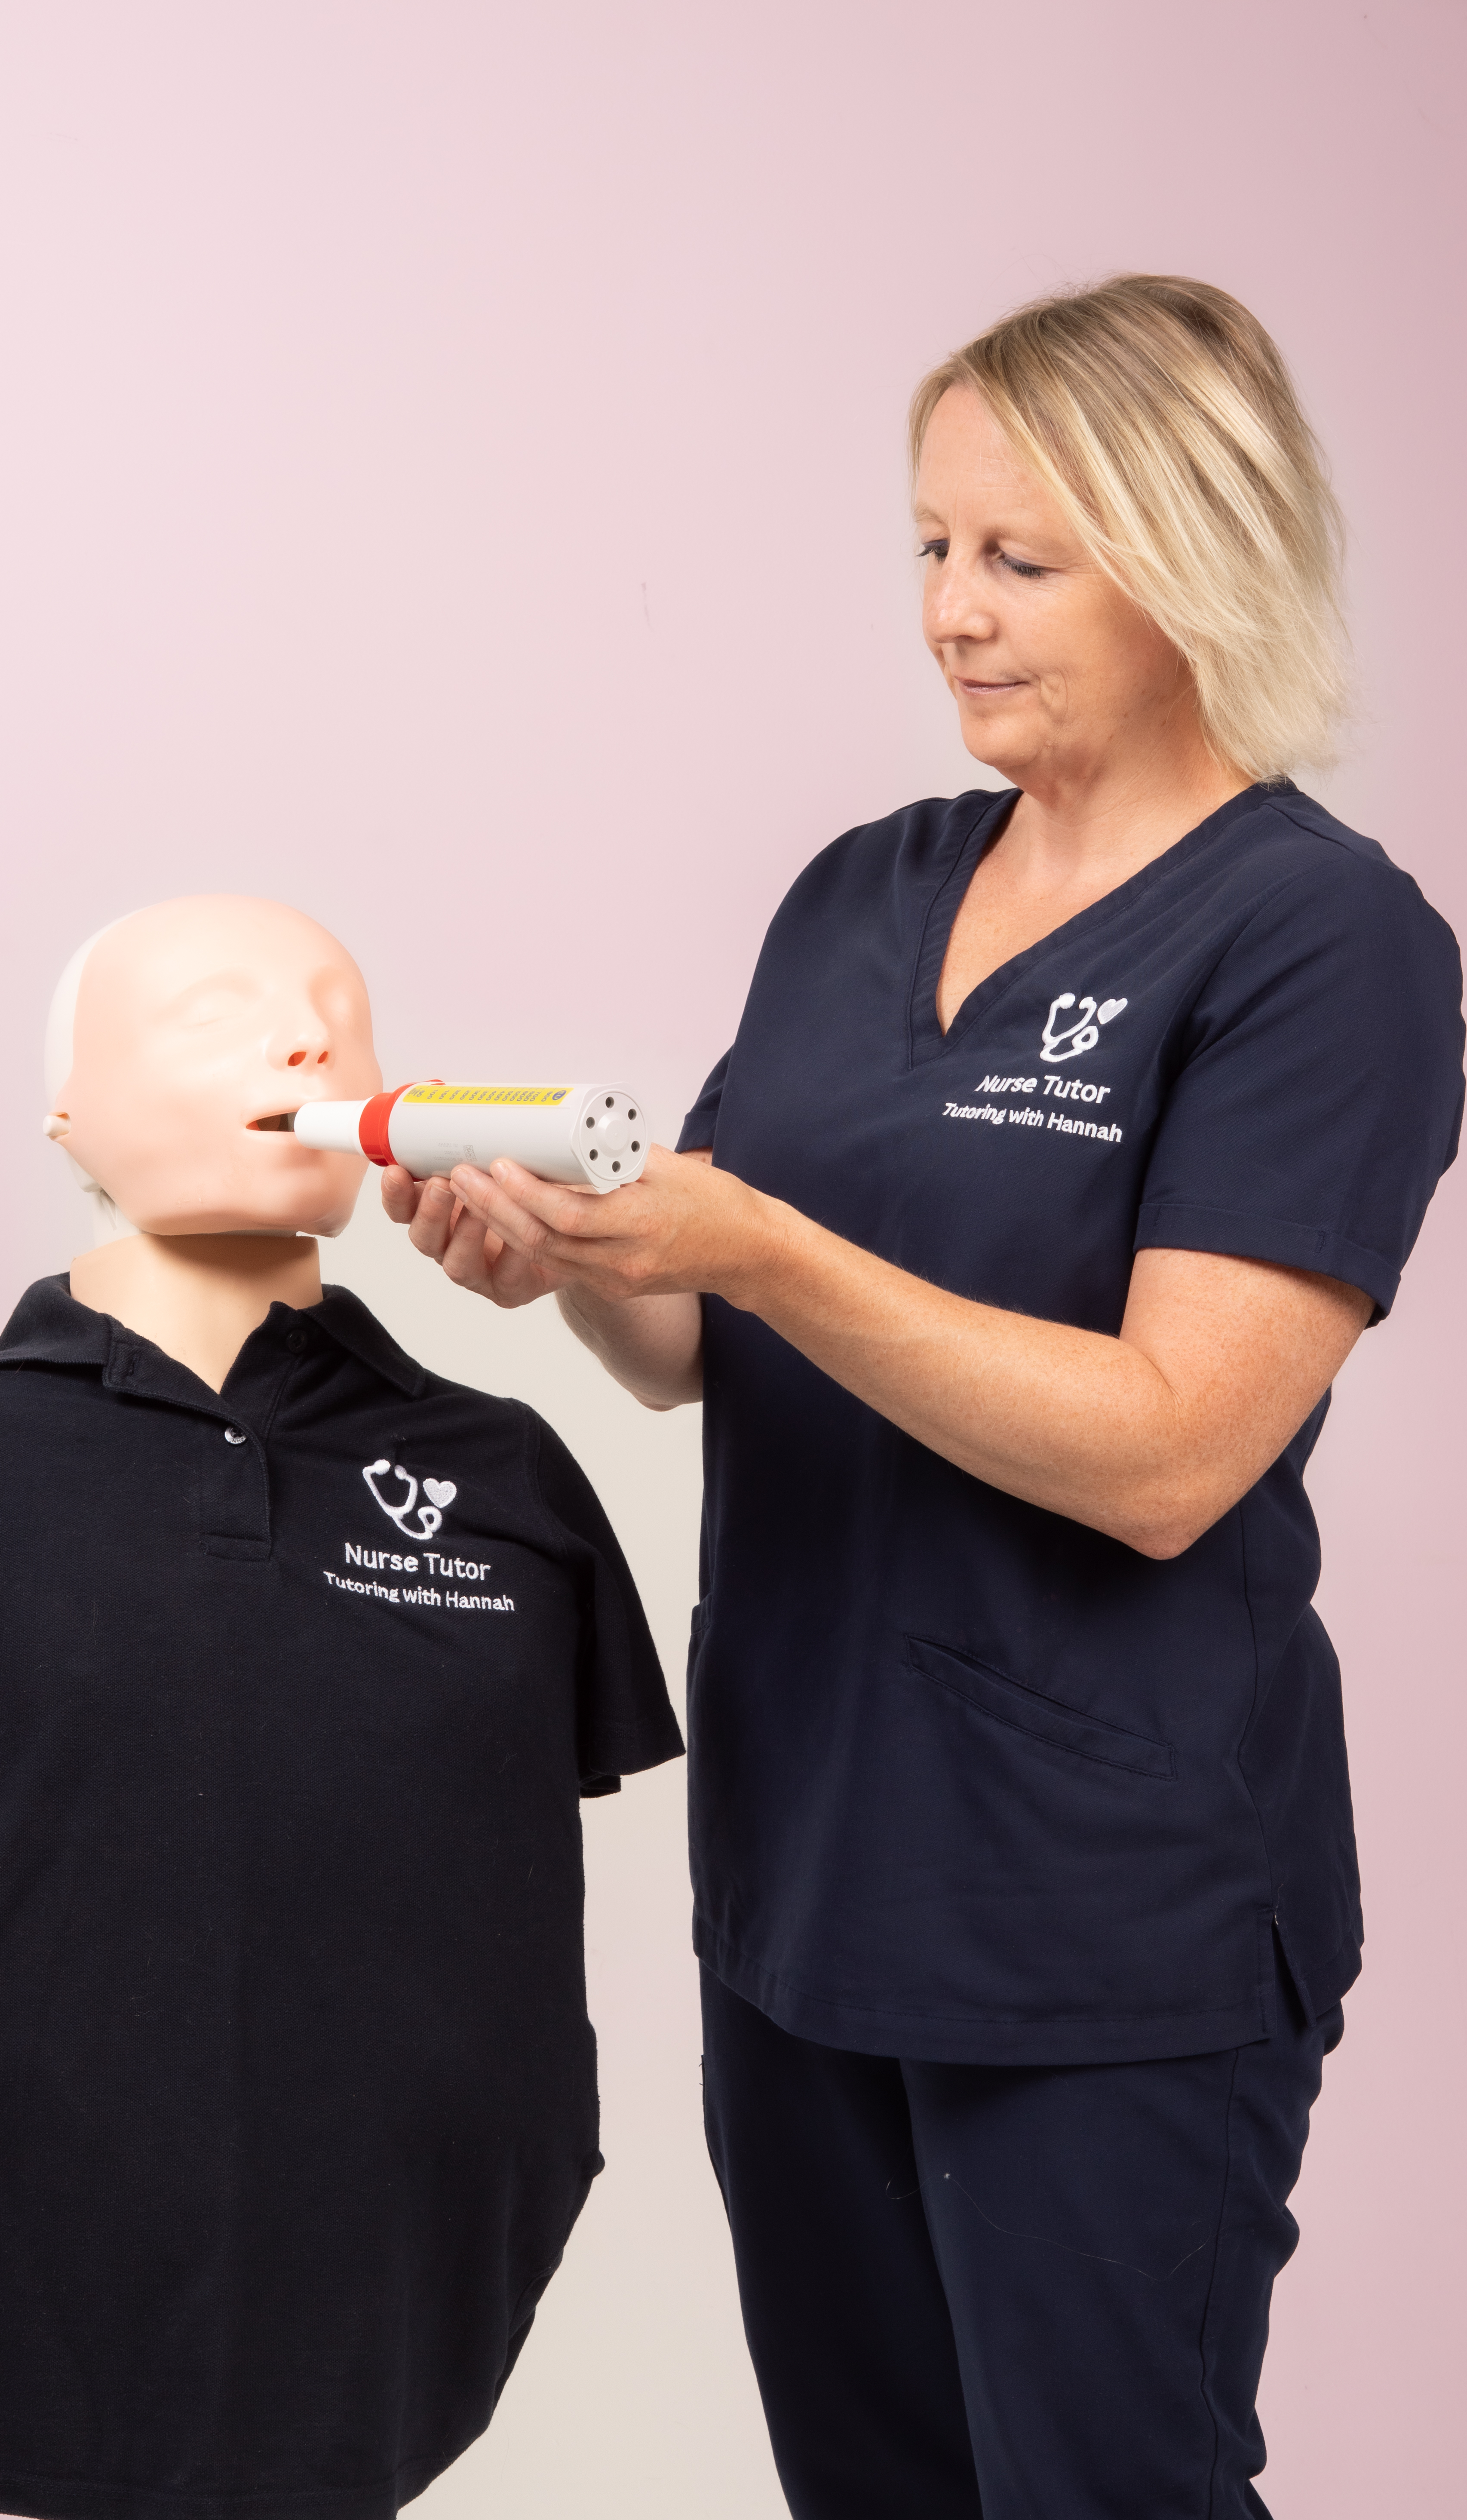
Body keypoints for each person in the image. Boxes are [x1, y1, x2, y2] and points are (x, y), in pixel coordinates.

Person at [382, 277, 1465, 2517]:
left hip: (1102, 1911)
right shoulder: (859, 893)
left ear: (1195, 552)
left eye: (1019, 558)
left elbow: (1175, 1446)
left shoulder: (1319, 943)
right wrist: (571, 1259)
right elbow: (701, 1347)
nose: (950, 615)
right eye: (928, 548)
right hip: (809, 1869)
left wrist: (755, 1242)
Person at [0, 895, 681, 2520]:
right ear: (70, 1109)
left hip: (402, 2303)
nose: (304, 1043)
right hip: (17, 2284)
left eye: (340, 1016)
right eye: (218, 1013)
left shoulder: (506, 1479)